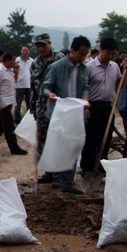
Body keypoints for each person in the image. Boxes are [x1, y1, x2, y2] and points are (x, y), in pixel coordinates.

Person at [41, 36, 91, 194]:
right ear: (72, 50)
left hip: (75, 113)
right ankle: (58, 178)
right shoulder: (56, 67)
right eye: (81, 54)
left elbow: (85, 87)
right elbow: (45, 87)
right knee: (59, 149)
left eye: (85, 55)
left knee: (73, 147)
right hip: (59, 113)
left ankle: (67, 184)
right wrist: (50, 95)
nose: (83, 57)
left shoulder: (83, 69)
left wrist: (85, 100)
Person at [80, 37, 126, 176]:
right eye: (108, 53)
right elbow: (82, 88)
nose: (111, 56)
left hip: (108, 107)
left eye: (113, 54)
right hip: (92, 106)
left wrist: (126, 72)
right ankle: (87, 168)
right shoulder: (89, 67)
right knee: (91, 139)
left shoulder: (115, 67)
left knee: (105, 138)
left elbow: (120, 85)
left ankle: (101, 168)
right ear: (101, 50)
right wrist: (86, 107)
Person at [29, 33, 64, 183]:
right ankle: (48, 172)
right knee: (43, 140)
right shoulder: (35, 63)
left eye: (43, 45)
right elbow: (33, 87)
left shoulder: (60, 59)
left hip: (57, 107)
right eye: (38, 46)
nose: (40, 48)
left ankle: (59, 175)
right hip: (41, 108)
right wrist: (33, 108)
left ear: (49, 44)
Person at [0, 52, 27, 155]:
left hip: (9, 101)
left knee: (0, 127)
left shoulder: (9, 70)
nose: (14, 63)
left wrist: (16, 72)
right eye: (13, 61)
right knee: (9, 126)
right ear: (8, 60)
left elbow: (14, 82)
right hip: (3, 103)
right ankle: (14, 148)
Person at [14, 44, 33, 122]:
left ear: (29, 51)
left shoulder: (32, 61)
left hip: (29, 85)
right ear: (21, 51)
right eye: (23, 50)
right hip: (19, 85)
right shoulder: (17, 60)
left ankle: (28, 120)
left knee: (29, 104)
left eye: (26, 50)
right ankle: (17, 120)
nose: (24, 52)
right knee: (18, 104)